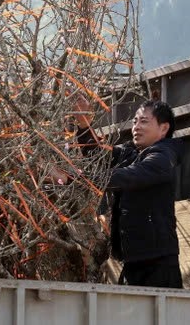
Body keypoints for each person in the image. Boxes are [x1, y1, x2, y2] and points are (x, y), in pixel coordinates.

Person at [76, 99, 183, 288]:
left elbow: (129, 176)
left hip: (157, 264)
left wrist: (76, 179)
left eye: (144, 122)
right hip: (132, 260)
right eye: (135, 121)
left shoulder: (164, 157)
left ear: (163, 128)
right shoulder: (130, 152)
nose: (136, 127)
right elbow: (99, 158)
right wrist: (85, 126)